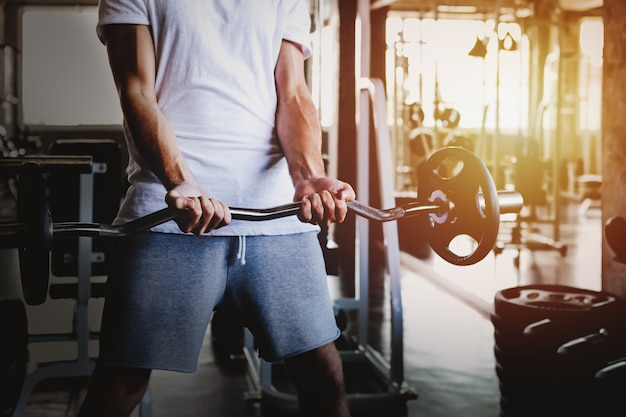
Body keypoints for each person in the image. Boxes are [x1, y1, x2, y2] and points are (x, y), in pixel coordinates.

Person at [77, 1, 355, 416]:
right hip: (169, 216)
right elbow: (136, 89)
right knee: (122, 383)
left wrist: (308, 176)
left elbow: (293, 93)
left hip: (275, 216)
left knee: (324, 378)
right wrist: (181, 180)